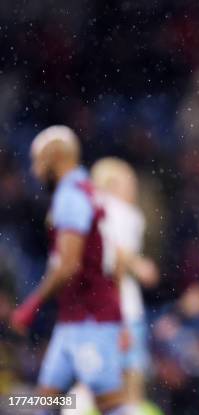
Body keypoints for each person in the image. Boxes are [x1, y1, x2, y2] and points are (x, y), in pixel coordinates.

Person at [10, 126, 130, 415]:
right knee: (44, 401)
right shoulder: (86, 190)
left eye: (38, 160)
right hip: (76, 318)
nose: (35, 169)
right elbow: (112, 259)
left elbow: (68, 266)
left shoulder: (70, 197)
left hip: (90, 321)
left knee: (111, 405)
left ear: (56, 158)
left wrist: (31, 305)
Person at [91, 157, 159, 411]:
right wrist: (139, 266)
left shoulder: (91, 211)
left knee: (99, 381)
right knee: (132, 380)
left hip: (93, 309)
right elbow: (117, 257)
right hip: (122, 310)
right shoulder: (124, 212)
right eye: (129, 182)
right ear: (112, 185)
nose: (134, 188)